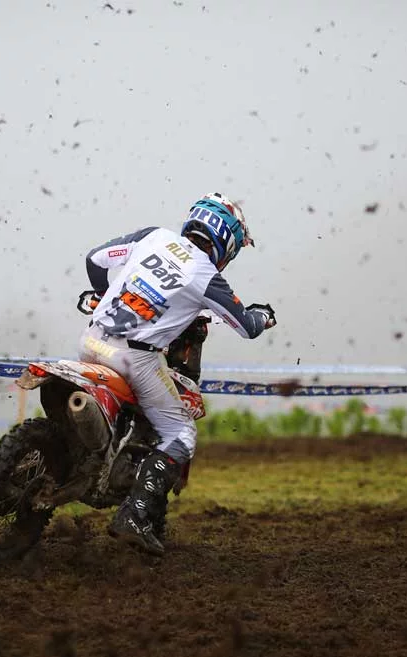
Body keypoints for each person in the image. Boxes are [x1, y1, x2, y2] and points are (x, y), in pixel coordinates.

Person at [78, 192, 276, 555]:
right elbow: (247, 326)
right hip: (133, 358)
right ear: (226, 241)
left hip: (91, 340)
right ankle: (134, 514)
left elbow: (95, 259)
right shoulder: (206, 275)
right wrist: (264, 316)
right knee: (182, 433)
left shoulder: (155, 236)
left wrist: (107, 296)